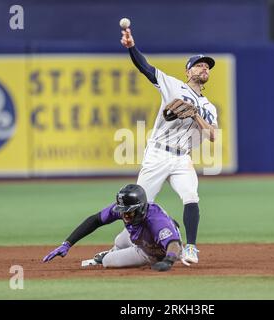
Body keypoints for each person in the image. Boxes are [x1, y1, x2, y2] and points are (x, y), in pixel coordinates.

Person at [108, 27, 219, 264]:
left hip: (182, 158)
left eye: (207, 66)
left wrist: (196, 114)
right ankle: (114, 249)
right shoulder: (173, 85)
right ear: (188, 71)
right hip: (158, 153)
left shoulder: (209, 107)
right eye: (199, 65)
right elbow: (145, 68)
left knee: (191, 196)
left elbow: (212, 136)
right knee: (136, 205)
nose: (204, 68)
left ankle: (191, 247)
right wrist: (131, 47)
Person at [42, 184, 183, 272]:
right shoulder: (124, 210)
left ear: (140, 208)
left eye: (128, 210)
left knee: (107, 261)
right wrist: (67, 243)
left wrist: (169, 260)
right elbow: (95, 220)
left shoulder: (156, 220)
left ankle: (107, 256)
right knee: (120, 239)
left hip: (154, 252)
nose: (124, 214)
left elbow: (174, 244)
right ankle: (115, 250)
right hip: (143, 237)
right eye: (122, 210)